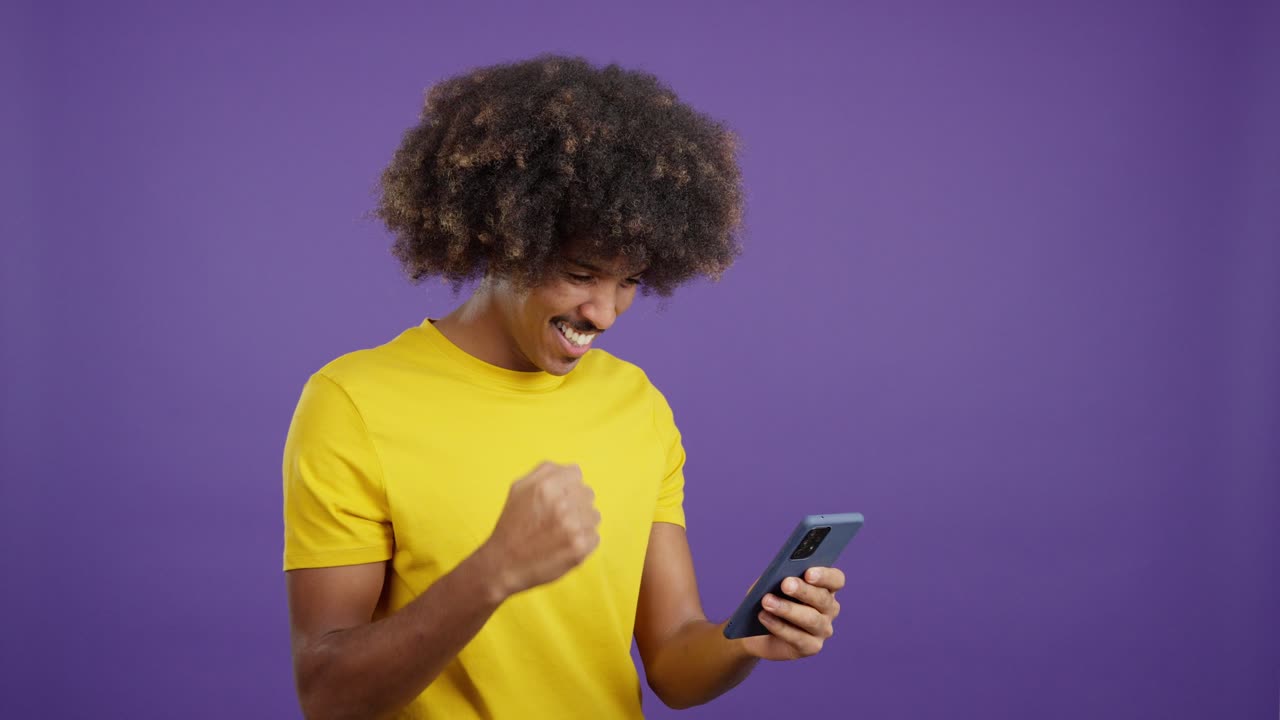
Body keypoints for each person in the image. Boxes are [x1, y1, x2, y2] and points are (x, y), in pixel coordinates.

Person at [282, 54, 845, 720]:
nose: (604, 314)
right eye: (581, 273)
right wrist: (492, 572)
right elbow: (327, 695)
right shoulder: (353, 401)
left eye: (629, 281)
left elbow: (671, 661)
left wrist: (744, 641)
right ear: (505, 237)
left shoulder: (636, 405)